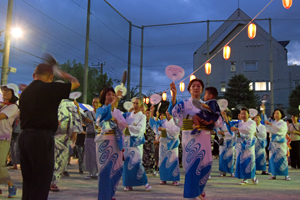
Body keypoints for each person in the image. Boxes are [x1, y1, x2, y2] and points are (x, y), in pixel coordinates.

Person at [18, 63, 80, 200]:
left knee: (28, 181)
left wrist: (49, 119)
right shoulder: (50, 88)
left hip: (24, 138)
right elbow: (75, 83)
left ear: (34, 75)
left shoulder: (25, 92)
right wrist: (64, 74)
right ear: (51, 77)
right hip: (41, 139)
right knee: (41, 181)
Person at [168, 79, 222, 200]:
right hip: (190, 137)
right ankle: (192, 195)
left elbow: (218, 121)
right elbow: (175, 113)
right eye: (193, 86)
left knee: (206, 166)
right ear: (189, 89)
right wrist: (174, 95)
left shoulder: (208, 104)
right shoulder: (184, 103)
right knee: (192, 166)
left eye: (199, 86)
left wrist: (214, 116)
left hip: (205, 137)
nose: (196, 88)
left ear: (202, 89)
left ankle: (199, 190)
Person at [95, 88, 127, 200]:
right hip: (104, 143)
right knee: (105, 171)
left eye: (113, 95)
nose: (111, 96)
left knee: (116, 170)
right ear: (104, 97)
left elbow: (124, 125)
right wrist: (111, 117)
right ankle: (104, 197)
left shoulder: (118, 112)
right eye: (108, 94)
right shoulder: (100, 110)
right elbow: (100, 120)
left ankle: (111, 194)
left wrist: (116, 120)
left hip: (116, 143)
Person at [50, 99, 83, 191]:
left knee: (60, 161)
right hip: (50, 135)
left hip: (62, 136)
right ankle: (50, 182)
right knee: (53, 160)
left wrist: (74, 133)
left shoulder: (68, 103)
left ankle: (53, 182)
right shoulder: (49, 101)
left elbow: (75, 118)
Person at [122, 98, 151, 191]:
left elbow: (141, 129)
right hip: (127, 141)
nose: (135, 105)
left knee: (137, 163)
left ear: (141, 105)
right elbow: (119, 120)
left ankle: (145, 183)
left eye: (137, 103)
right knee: (127, 163)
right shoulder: (127, 115)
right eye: (133, 103)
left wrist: (129, 126)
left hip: (136, 142)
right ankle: (128, 184)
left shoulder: (142, 116)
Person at [150, 108, 180, 186]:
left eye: (169, 111)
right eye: (166, 111)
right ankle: (163, 178)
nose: (167, 113)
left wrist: (165, 129)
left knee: (173, 160)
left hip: (173, 143)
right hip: (163, 143)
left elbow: (176, 131)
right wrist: (152, 112)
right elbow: (154, 125)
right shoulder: (163, 121)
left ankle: (174, 179)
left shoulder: (176, 121)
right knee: (163, 161)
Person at [0, 83, 19, 198]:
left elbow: (1, 116)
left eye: (8, 91)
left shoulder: (13, 107)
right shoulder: (3, 105)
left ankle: (11, 186)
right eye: (4, 90)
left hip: (3, 138)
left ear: (13, 94)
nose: (5, 92)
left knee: (1, 165)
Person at [231, 108, 258, 185]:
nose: (243, 115)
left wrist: (237, 129)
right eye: (241, 113)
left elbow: (249, 130)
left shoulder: (252, 122)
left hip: (249, 144)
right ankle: (245, 178)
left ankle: (252, 176)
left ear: (248, 114)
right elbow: (230, 125)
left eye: (244, 113)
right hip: (240, 145)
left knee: (250, 161)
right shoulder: (239, 123)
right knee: (241, 161)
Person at [263, 105, 291, 180]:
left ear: (281, 115)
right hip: (273, 143)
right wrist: (263, 112)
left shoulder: (283, 123)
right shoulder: (273, 122)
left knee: (282, 159)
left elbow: (280, 130)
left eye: (278, 113)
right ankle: (274, 174)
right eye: (275, 113)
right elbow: (268, 128)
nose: (276, 114)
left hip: (281, 144)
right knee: (272, 159)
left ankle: (286, 175)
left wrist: (270, 124)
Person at [82, 97, 100, 180]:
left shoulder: (102, 114)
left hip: (98, 136)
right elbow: (83, 121)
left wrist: (91, 122)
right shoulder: (88, 113)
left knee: (97, 155)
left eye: (97, 102)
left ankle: (97, 172)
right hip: (89, 136)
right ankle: (91, 172)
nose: (95, 104)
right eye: (94, 102)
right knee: (89, 155)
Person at [217, 110, 236, 177]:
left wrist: (223, 133)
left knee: (230, 157)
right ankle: (223, 171)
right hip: (223, 141)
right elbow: (218, 131)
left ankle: (231, 171)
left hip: (230, 142)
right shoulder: (221, 124)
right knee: (222, 157)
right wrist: (220, 134)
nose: (224, 118)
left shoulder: (232, 123)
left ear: (229, 117)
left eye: (226, 116)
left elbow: (232, 134)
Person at [143, 107, 156, 174]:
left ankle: (152, 170)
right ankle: (145, 170)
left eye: (148, 112)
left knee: (151, 156)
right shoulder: (142, 121)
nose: (147, 113)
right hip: (144, 142)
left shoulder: (152, 121)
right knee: (144, 156)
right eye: (146, 112)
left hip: (151, 141)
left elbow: (155, 130)